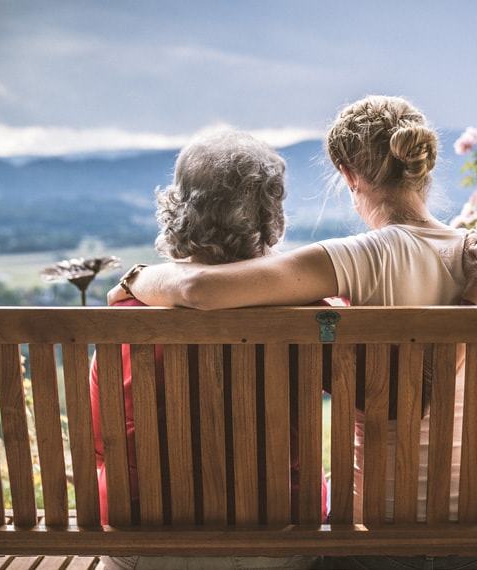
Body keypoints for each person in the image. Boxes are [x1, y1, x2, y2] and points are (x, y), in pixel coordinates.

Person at [110, 95, 477, 570]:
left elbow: (198, 290)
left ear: (349, 175)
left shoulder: (358, 258)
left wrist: (134, 279)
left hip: (379, 545)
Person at [92, 129, 328, 570]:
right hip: (278, 543)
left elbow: (102, 445)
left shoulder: (127, 310)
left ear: (178, 208)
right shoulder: (310, 310)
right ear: (271, 214)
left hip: (143, 546)